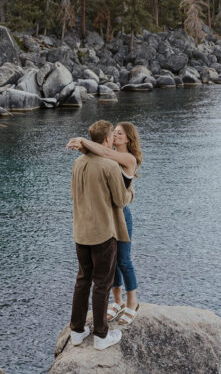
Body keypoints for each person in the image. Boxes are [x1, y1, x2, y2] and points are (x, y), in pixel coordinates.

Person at [67, 121, 143, 327]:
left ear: (128, 138)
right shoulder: (103, 154)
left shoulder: (128, 158)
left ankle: (132, 303)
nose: (116, 135)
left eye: (120, 133)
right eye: (115, 133)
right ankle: (117, 301)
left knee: (124, 260)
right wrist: (84, 146)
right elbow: (99, 152)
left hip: (121, 214)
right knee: (111, 262)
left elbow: (106, 154)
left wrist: (83, 142)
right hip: (106, 216)